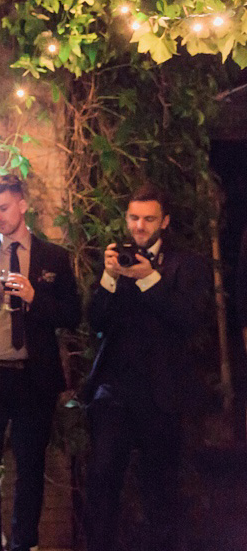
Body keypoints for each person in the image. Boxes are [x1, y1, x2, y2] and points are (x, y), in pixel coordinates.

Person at [82, 183, 211, 551]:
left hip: (161, 394)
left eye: (149, 218)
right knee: (103, 480)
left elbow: (187, 319)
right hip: (114, 393)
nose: (140, 226)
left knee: (161, 489)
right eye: (134, 217)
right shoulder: (118, 261)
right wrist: (110, 277)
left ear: (164, 221)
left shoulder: (187, 264)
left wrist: (147, 279)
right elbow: (96, 322)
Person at [0, 174, 80, 551]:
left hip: (34, 376)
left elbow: (73, 315)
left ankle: (24, 544)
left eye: (4, 208)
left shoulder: (54, 257)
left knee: (30, 468)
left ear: (22, 204)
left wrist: (34, 297)